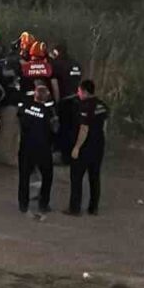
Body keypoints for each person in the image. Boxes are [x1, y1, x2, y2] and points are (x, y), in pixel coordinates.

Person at [68, 80, 109, 216]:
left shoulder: (85, 106)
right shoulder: (102, 105)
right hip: (99, 145)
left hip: (86, 146)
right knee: (94, 177)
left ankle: (75, 208)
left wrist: (76, 147)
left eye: (79, 91)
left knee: (76, 177)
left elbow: (84, 128)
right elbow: (104, 126)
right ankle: (93, 208)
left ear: (85, 92)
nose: (78, 94)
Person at [17, 83, 57, 218]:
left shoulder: (25, 107)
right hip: (43, 149)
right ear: (46, 98)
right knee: (47, 176)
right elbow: (54, 130)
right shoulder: (48, 113)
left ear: (35, 95)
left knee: (24, 177)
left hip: (26, 147)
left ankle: (23, 204)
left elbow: (20, 117)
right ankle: (43, 204)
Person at [50, 43, 83, 162]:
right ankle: (73, 156)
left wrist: (57, 102)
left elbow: (55, 85)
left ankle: (62, 156)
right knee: (73, 128)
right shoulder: (76, 64)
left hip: (64, 100)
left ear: (57, 51)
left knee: (62, 129)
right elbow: (79, 82)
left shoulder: (56, 64)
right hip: (77, 99)